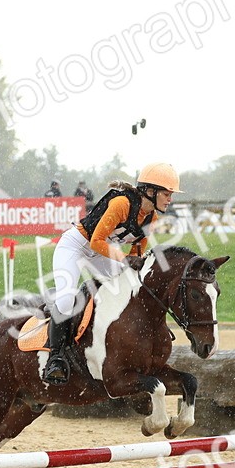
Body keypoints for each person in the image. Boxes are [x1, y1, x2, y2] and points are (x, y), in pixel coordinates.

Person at [42, 161, 180, 385]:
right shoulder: (121, 204)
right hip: (75, 246)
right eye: (166, 193)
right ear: (150, 191)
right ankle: (55, 358)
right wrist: (125, 259)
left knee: (131, 285)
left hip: (101, 253)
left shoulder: (151, 218)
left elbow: (136, 253)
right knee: (66, 300)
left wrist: (134, 264)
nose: (169, 199)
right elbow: (96, 241)